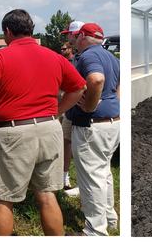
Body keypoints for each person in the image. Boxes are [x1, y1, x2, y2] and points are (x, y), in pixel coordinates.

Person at [0, 9, 86, 236]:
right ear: (31, 30)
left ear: (8, 31)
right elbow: (79, 88)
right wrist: (56, 112)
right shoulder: (55, 57)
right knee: (47, 194)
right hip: (50, 130)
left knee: (4, 199)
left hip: (13, 133)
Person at [66, 22, 121, 236]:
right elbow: (119, 86)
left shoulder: (89, 56)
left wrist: (89, 105)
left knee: (92, 177)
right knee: (104, 172)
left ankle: (95, 231)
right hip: (112, 123)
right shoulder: (111, 57)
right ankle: (110, 217)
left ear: (82, 37)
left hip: (92, 126)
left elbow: (96, 79)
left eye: (76, 37)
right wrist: (114, 105)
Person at [58, 21, 83, 196]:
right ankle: (64, 177)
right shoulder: (74, 60)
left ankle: (83, 184)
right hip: (70, 111)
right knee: (66, 142)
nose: (67, 38)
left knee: (80, 147)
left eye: (69, 35)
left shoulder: (86, 58)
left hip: (80, 111)